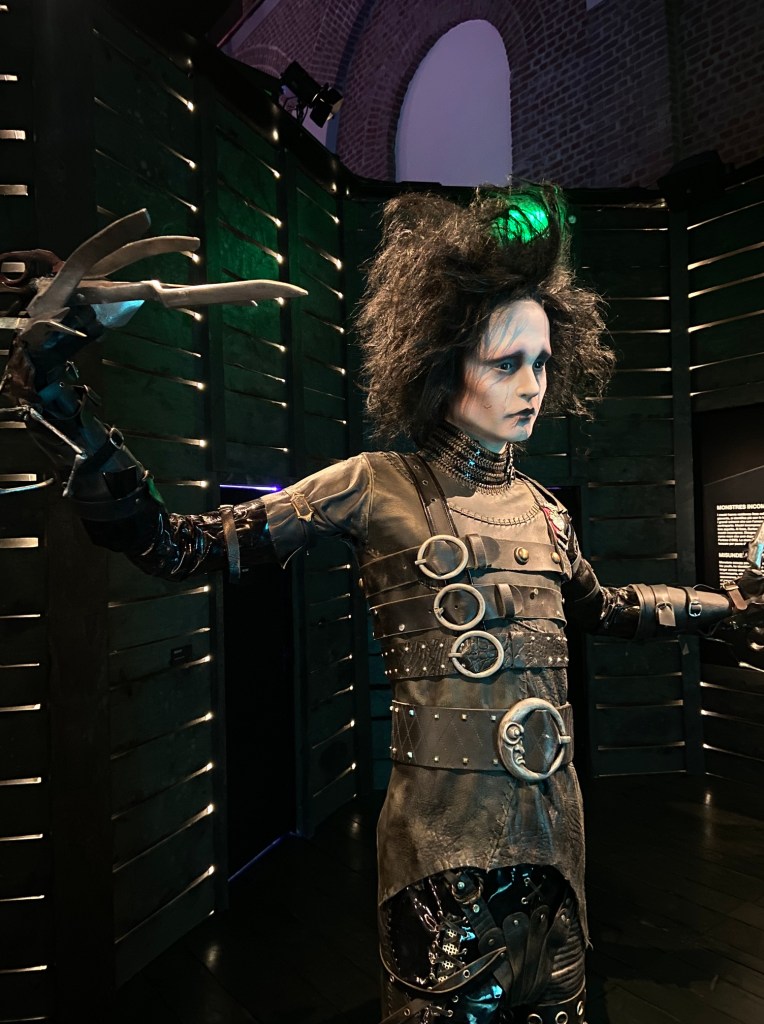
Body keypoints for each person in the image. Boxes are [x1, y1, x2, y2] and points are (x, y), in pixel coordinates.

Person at [2, 184, 760, 1024]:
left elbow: (606, 608)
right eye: (505, 363)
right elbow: (179, 545)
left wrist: (729, 600)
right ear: (443, 362)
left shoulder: (547, 512)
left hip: (557, 862)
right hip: (441, 870)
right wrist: (55, 396)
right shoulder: (372, 484)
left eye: (543, 363)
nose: (532, 387)